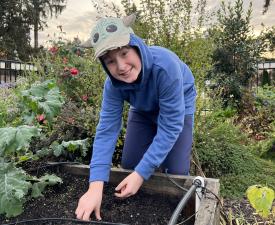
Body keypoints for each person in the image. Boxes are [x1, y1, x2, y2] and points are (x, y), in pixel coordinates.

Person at [75, 14, 197, 221]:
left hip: (179, 106)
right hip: (142, 107)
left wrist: (142, 174)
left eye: (124, 53)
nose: (121, 66)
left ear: (137, 47)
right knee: (130, 164)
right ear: (104, 65)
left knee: (176, 171)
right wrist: (95, 186)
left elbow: (170, 125)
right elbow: (106, 130)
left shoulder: (165, 68)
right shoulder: (113, 86)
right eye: (111, 61)